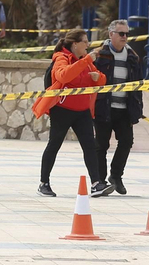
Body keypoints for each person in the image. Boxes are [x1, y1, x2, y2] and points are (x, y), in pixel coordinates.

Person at [32, 29, 110, 198]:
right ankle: (43, 183)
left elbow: (102, 79)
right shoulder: (61, 58)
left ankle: (96, 184)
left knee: (90, 146)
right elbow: (64, 76)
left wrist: (98, 77)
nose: (88, 45)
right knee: (54, 144)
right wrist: (88, 60)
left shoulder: (85, 61)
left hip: (82, 111)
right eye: (85, 42)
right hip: (62, 109)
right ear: (75, 44)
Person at [93, 19, 143, 195]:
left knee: (127, 142)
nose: (125, 37)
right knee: (101, 145)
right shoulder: (99, 55)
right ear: (111, 34)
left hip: (125, 109)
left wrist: (137, 109)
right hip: (103, 107)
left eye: (127, 34)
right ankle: (100, 180)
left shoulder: (133, 57)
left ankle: (116, 176)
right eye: (121, 33)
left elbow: (138, 85)